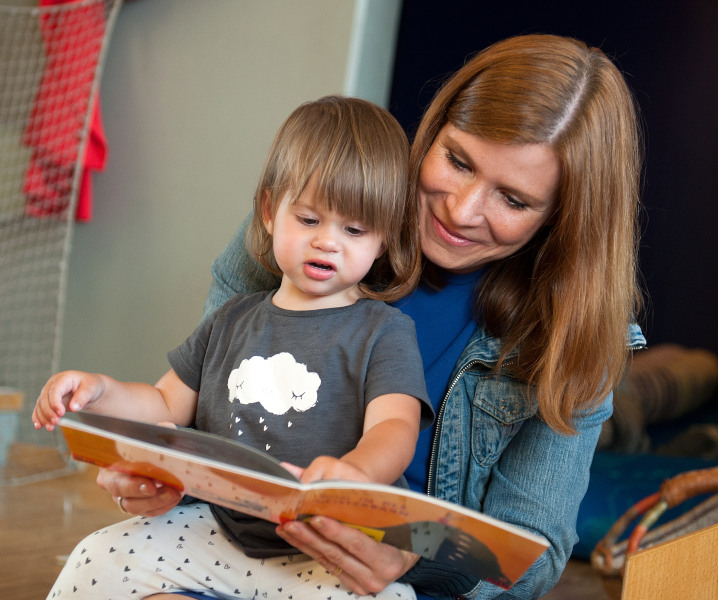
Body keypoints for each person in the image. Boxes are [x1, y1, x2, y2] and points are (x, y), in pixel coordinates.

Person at [90, 33, 647, 600]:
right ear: (434, 129)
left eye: (513, 200)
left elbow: (531, 551)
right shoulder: (310, 229)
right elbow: (202, 414)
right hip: (233, 550)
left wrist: (408, 555)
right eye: (457, 161)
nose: (461, 210)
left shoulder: (575, 335)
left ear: (561, 219)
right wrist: (154, 474)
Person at [32, 95, 433, 600]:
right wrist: (98, 391)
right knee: (98, 557)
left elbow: (395, 428)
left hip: (324, 548)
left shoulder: (384, 331)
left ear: (384, 240)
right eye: (309, 220)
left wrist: (354, 474)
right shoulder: (231, 317)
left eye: (354, 230)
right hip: (219, 532)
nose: (328, 242)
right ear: (269, 212)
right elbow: (162, 404)